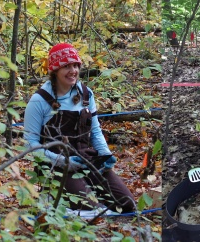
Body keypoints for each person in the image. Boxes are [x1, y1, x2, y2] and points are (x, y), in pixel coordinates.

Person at [24, 43, 135, 212]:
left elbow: (95, 130)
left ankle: (88, 188)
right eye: (66, 66)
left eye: (75, 65)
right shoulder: (39, 100)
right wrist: (62, 161)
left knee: (127, 204)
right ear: (55, 70)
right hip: (55, 166)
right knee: (91, 209)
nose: (73, 71)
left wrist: (105, 155)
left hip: (86, 159)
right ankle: (50, 194)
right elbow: (30, 144)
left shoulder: (85, 94)